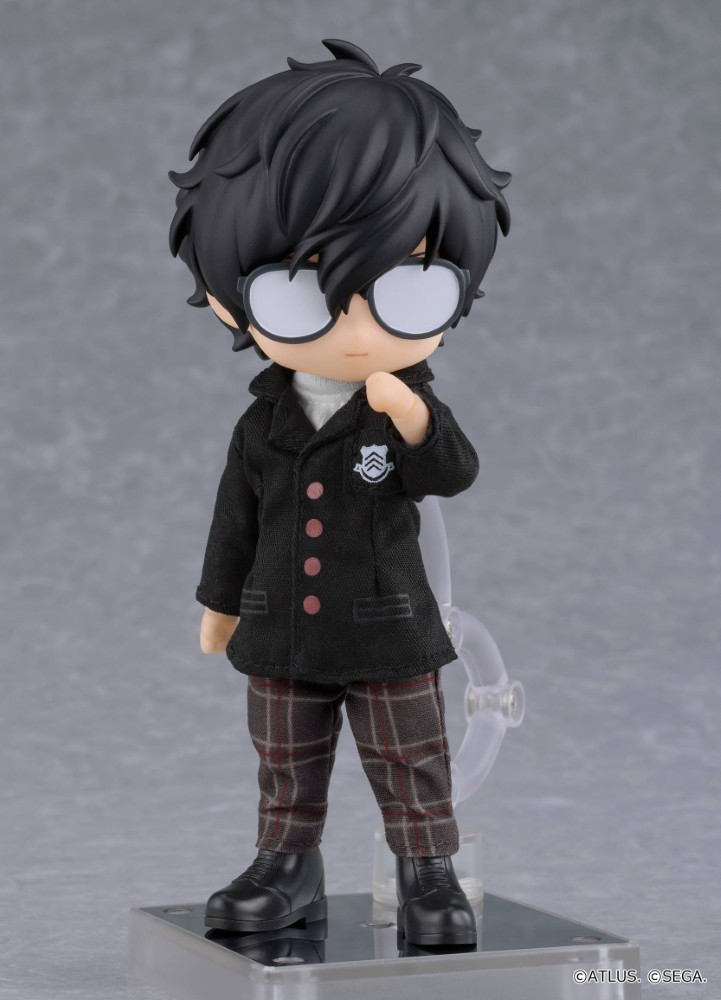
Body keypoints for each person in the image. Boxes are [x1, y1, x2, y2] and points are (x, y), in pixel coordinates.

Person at [169, 38, 510, 947]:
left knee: (411, 759)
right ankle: (285, 867)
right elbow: (235, 521)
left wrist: (414, 420)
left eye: (405, 285)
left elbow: (451, 475)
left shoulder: (402, 406)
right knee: (285, 762)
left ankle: (428, 872)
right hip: (280, 624)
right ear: (229, 300)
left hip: (389, 629)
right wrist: (219, 604)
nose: (356, 327)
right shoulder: (262, 425)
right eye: (303, 291)